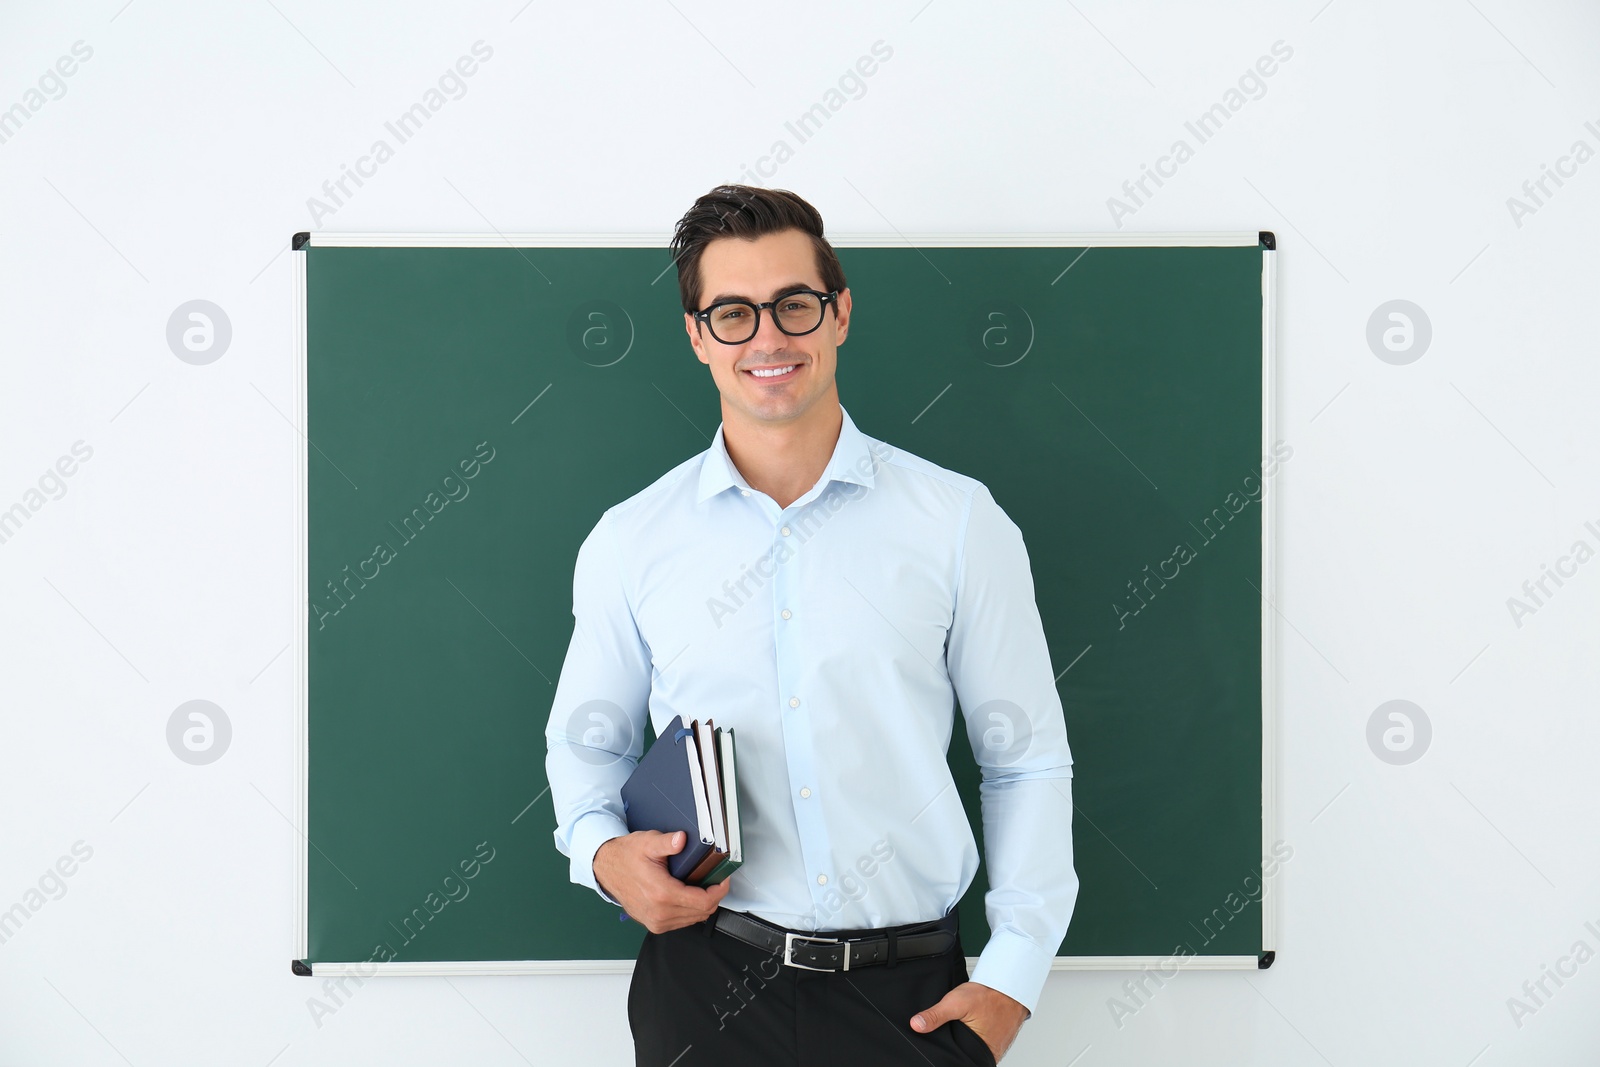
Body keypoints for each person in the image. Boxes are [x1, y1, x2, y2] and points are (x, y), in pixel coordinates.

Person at [545, 184, 1077, 1066]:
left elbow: (1023, 759)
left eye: (794, 304)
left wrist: (1013, 981)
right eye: (732, 313)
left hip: (912, 1003)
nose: (767, 337)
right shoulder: (631, 539)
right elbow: (586, 744)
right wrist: (604, 855)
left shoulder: (956, 522)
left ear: (839, 315)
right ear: (695, 335)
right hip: (704, 993)